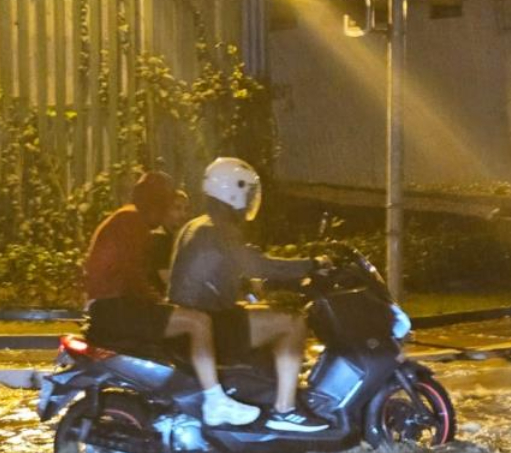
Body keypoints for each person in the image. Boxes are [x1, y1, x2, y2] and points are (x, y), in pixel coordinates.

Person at [83, 171, 259, 427]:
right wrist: (159, 304)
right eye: (166, 207)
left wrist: (159, 303)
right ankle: (215, 402)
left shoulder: (127, 219)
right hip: (115, 309)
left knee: (188, 321)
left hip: (111, 307)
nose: (167, 214)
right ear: (155, 205)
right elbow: (131, 275)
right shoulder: (132, 223)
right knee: (198, 323)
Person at [168, 157, 329, 433]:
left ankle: (265, 390)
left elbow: (224, 271)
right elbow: (258, 265)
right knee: (293, 321)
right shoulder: (218, 229)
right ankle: (285, 410)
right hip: (212, 321)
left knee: (268, 311)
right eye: (249, 192)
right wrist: (313, 264)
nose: (252, 199)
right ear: (234, 191)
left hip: (198, 315)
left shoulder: (199, 225)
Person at [149, 188, 189, 292]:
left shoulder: (171, 237)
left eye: (186, 209)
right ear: (165, 209)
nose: (183, 214)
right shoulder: (159, 237)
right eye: (177, 208)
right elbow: (167, 279)